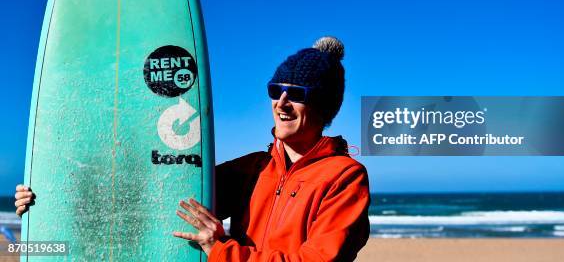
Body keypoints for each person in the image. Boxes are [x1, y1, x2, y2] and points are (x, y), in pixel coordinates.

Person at [16, 36, 370, 261]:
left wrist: (220, 250)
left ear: (323, 107)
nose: (281, 103)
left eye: (297, 94)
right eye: (275, 90)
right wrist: (48, 200)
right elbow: (157, 198)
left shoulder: (343, 177)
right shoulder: (253, 168)